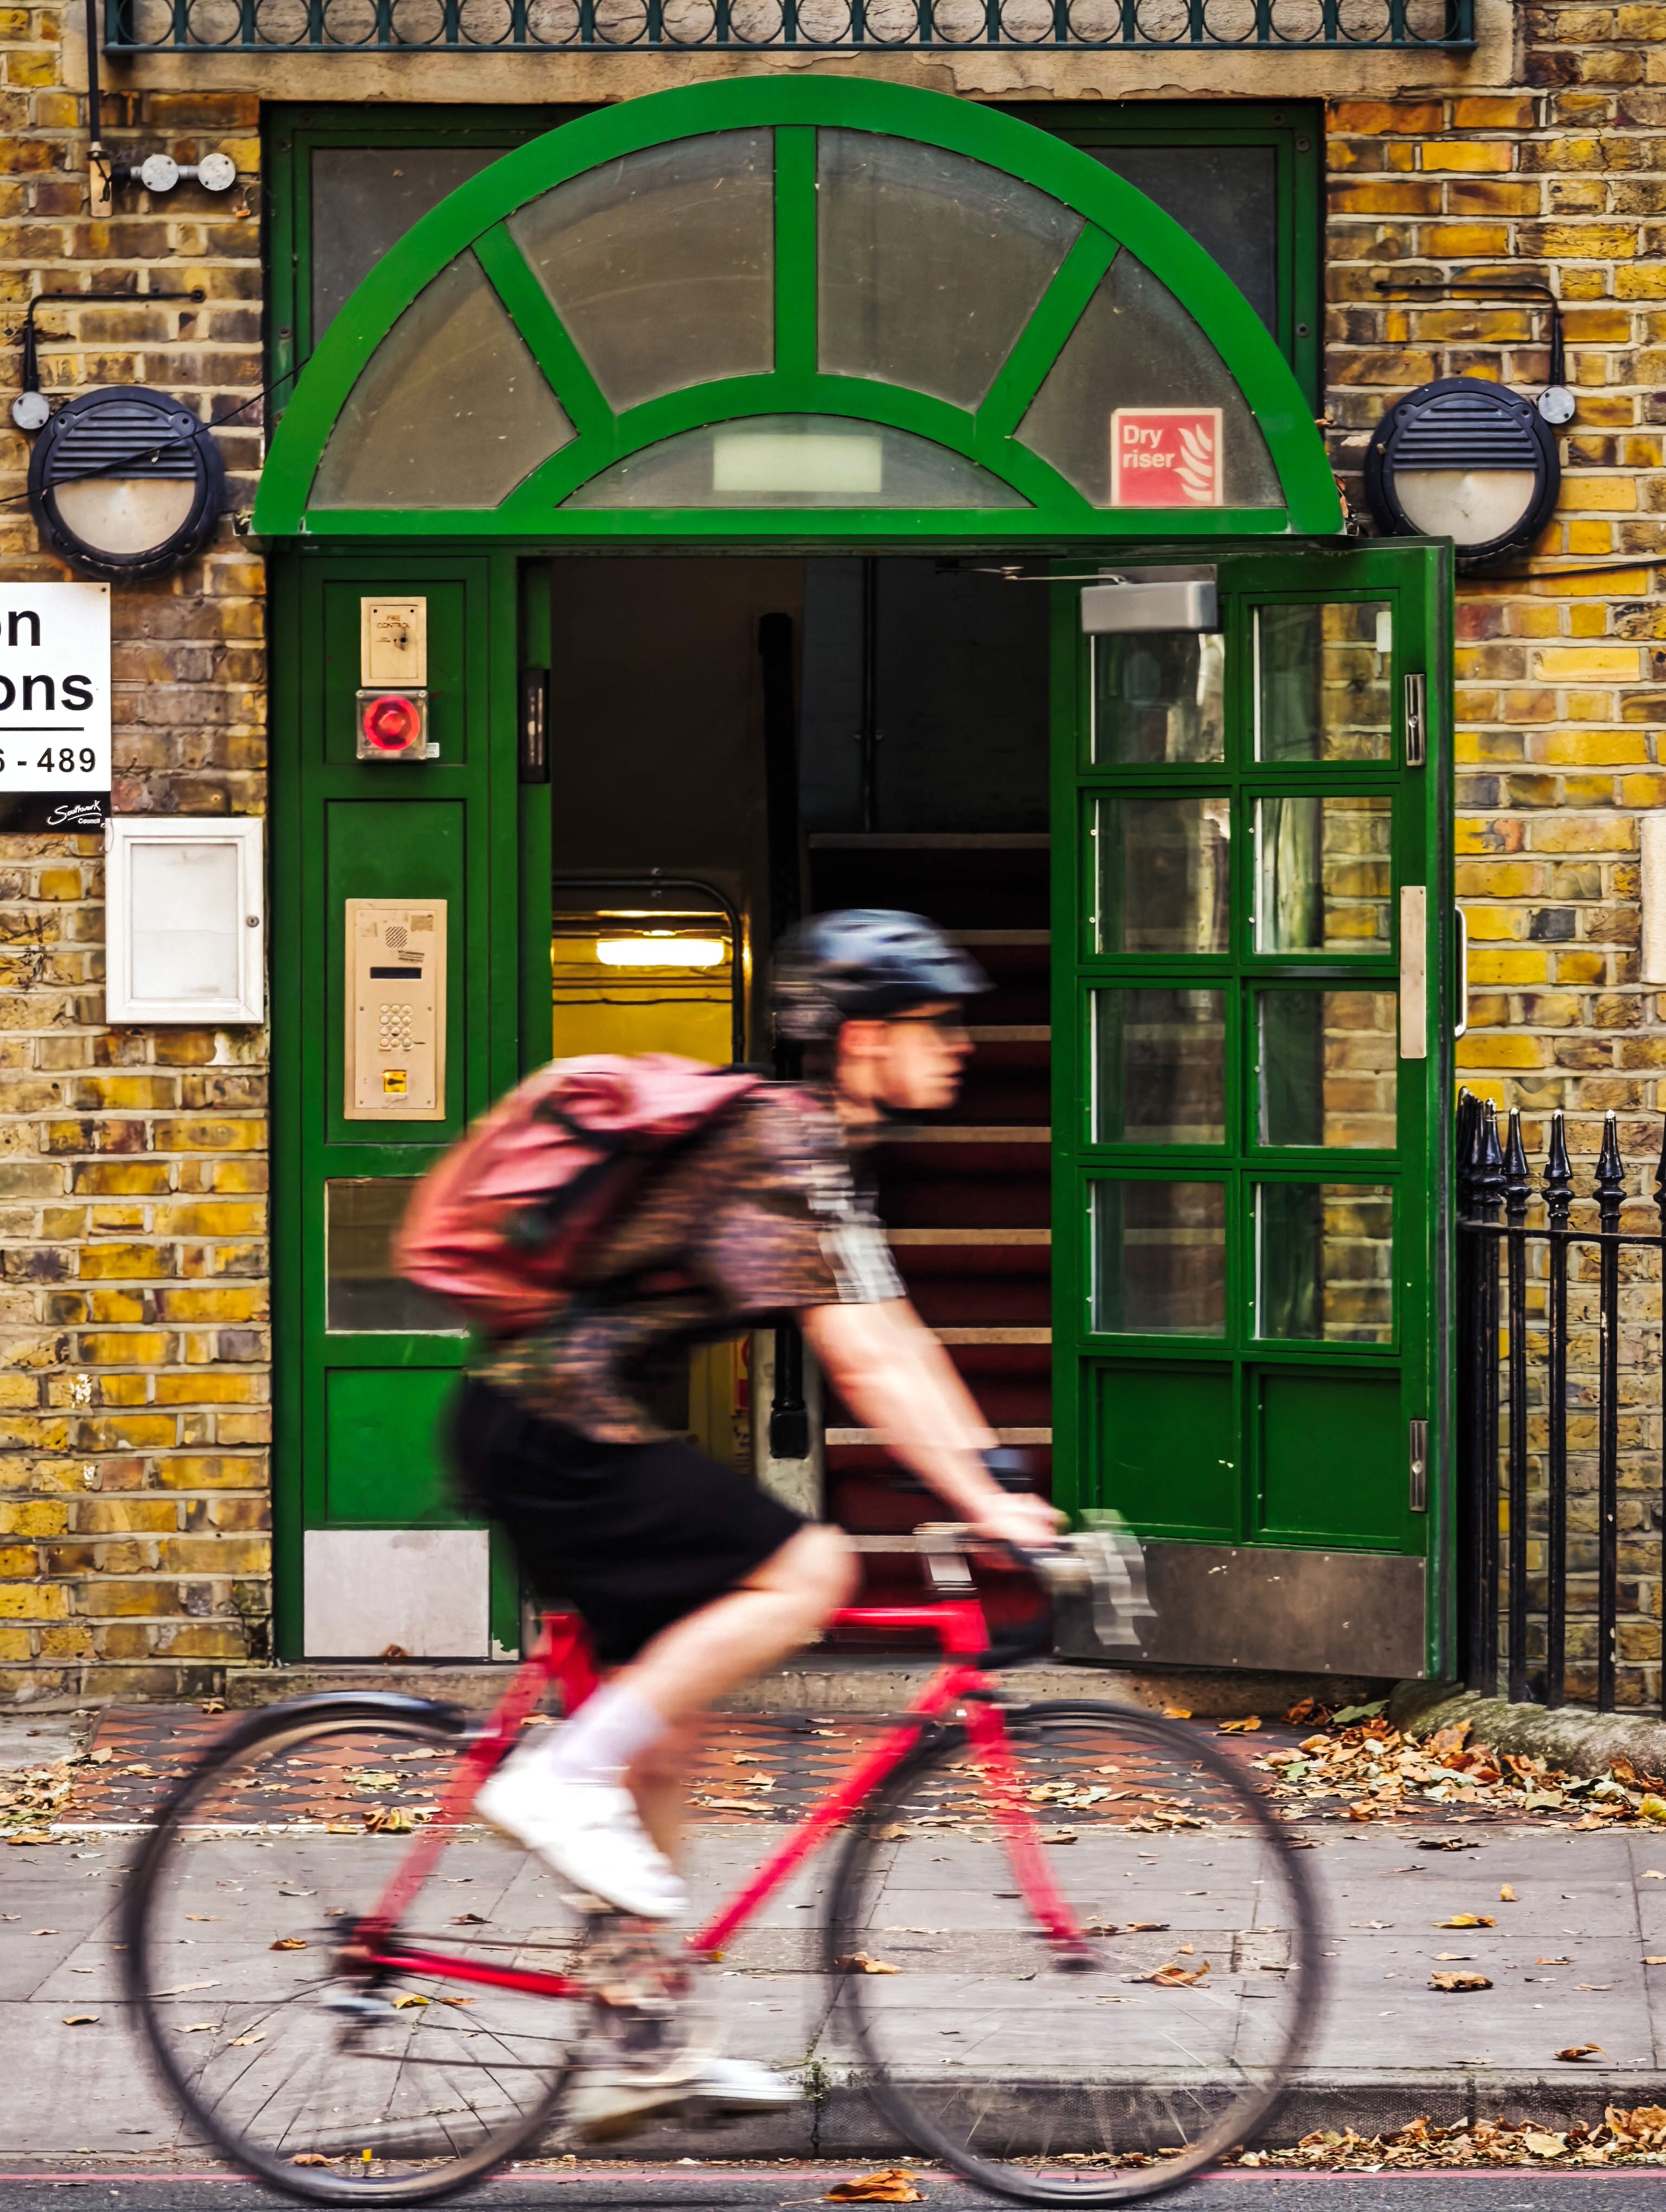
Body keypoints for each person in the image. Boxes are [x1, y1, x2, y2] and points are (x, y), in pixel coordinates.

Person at [450, 909, 1062, 2132]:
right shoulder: (782, 1143)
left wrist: (993, 1478)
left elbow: (895, 1338)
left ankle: (639, 2039)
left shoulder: (818, 1152)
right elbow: (862, 1362)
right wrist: (984, 1502)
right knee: (813, 1565)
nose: (960, 1048)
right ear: (864, 1036)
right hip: (551, 1426)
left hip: (559, 1424)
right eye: (935, 1024)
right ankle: (557, 1780)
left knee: (664, 1740)